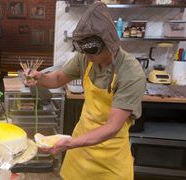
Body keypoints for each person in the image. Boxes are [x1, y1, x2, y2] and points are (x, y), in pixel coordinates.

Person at [24, 2, 146, 180]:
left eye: (90, 51)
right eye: (82, 49)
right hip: (80, 148)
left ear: (108, 42)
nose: (86, 56)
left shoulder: (131, 73)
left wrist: (69, 143)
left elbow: (112, 127)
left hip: (110, 155)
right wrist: (40, 78)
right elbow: (58, 78)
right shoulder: (85, 58)